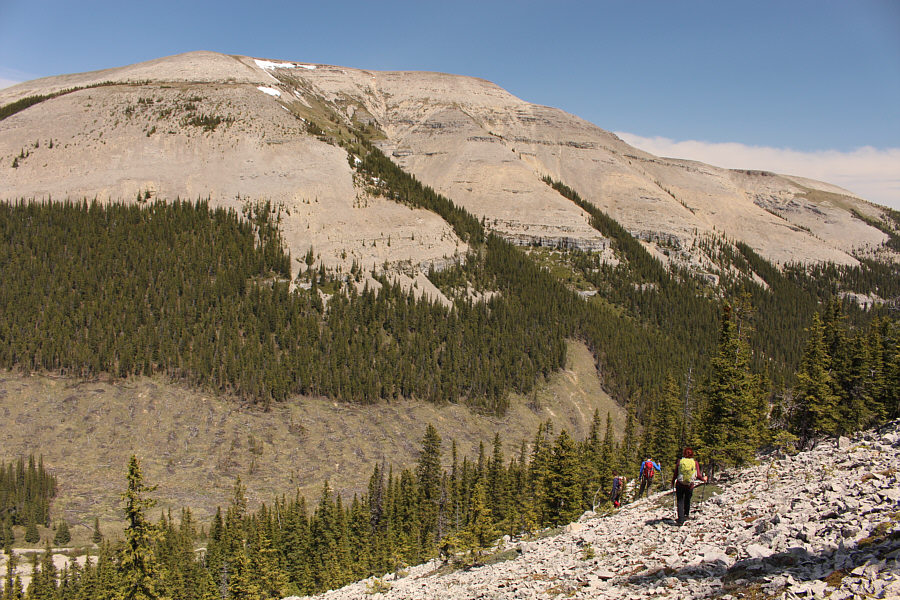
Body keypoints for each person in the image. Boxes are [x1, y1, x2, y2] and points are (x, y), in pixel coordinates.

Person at [670, 447, 706, 525]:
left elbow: (676, 473)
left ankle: (680, 520)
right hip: (690, 485)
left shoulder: (680, 461)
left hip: (680, 484)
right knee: (687, 499)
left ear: (684, 454)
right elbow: (698, 475)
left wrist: (673, 481)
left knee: (680, 501)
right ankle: (686, 515)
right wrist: (704, 479)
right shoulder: (695, 462)